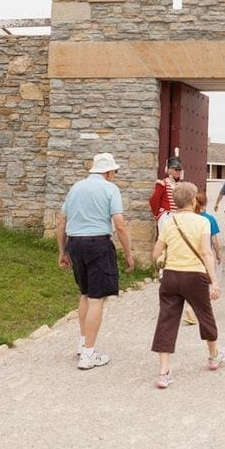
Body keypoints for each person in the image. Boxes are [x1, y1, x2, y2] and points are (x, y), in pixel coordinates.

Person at [57, 152, 134, 370]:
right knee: (97, 299)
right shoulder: (110, 189)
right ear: (108, 171)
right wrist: (128, 254)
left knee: (85, 293)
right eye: (114, 172)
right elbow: (119, 224)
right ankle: (89, 354)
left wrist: (62, 250)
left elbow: (62, 219)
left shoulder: (76, 188)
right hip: (98, 244)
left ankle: (83, 344)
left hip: (75, 243)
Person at [151, 182, 225, 389]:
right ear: (193, 200)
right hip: (194, 275)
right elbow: (206, 252)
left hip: (171, 275)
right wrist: (214, 282)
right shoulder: (201, 222)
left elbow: (156, 253)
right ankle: (213, 356)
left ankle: (164, 372)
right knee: (205, 314)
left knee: (167, 320)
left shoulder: (168, 222)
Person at [182, 192, 223, 326]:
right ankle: (192, 309)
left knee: (192, 283)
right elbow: (214, 240)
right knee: (204, 283)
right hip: (204, 255)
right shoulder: (209, 219)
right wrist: (218, 254)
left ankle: (190, 307)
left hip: (189, 254)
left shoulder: (189, 217)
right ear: (205, 204)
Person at [150, 156, 183, 235]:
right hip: (166, 216)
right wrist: (158, 214)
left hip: (177, 215)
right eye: (176, 169)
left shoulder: (179, 184)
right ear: (169, 170)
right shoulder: (162, 183)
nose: (178, 172)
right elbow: (154, 200)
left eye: (179, 170)